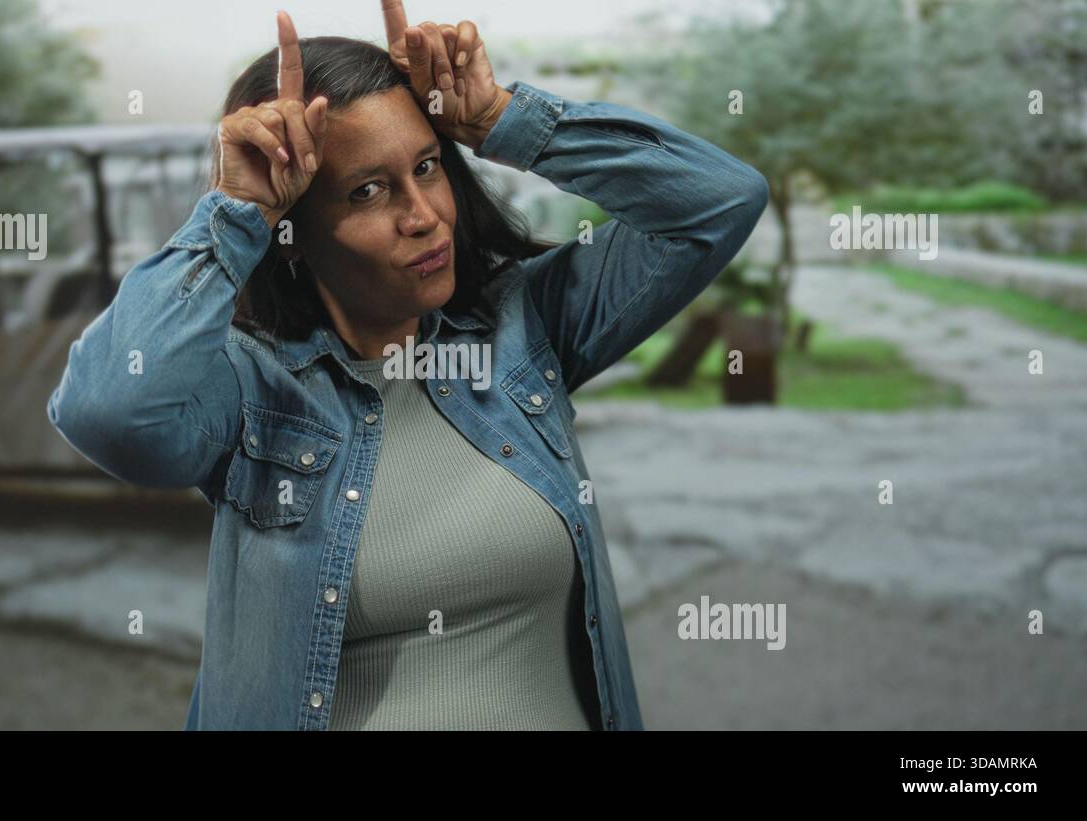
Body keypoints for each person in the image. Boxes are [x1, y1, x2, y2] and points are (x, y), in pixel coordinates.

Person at [47, 3, 769, 731]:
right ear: (292, 233)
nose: (423, 214)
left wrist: (497, 118)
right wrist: (237, 211)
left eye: (426, 167)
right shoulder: (250, 390)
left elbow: (717, 201)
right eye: (368, 191)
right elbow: (108, 411)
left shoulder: (523, 329)